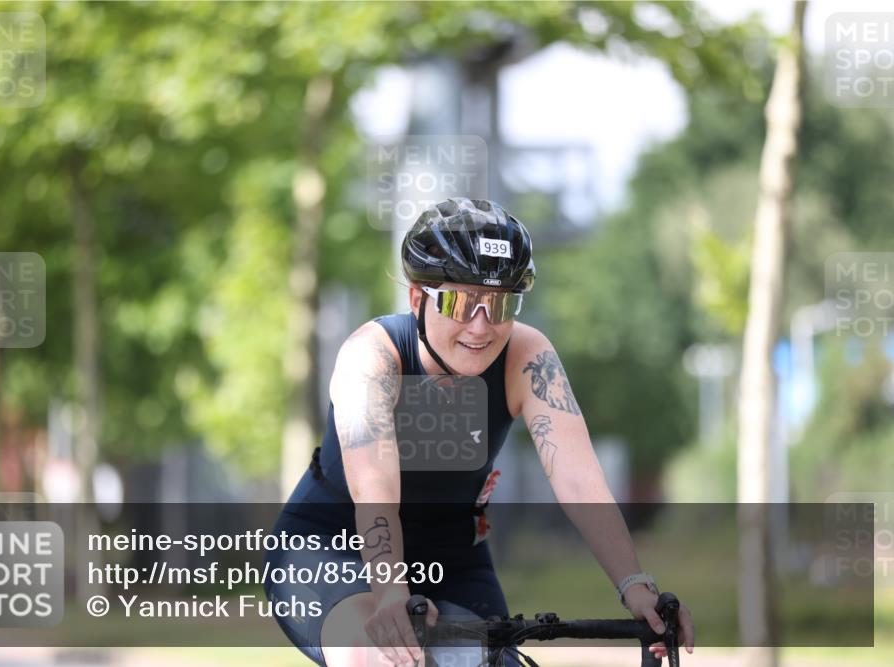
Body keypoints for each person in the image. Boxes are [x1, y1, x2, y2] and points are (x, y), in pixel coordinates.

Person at [263, 198, 694, 667]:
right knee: (383, 658)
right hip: (332, 548)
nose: (482, 326)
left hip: (454, 557)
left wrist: (634, 585)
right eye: (462, 301)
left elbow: (578, 479)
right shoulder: (371, 358)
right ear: (416, 298)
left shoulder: (527, 356)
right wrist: (391, 591)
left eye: (500, 303)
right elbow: (375, 487)